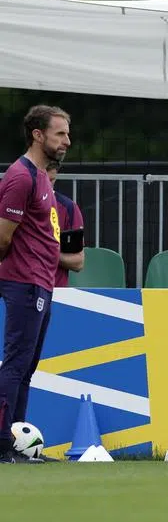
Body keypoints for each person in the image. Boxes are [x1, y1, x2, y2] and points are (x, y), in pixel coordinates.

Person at [0, 105, 70, 464]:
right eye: (60, 133)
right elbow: (2, 237)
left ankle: (18, 443)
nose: (67, 141)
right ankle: (2, 444)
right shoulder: (21, 176)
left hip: (41, 282)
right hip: (24, 281)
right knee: (15, 364)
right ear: (37, 135)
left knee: (26, 367)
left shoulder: (42, 176)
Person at [46, 161, 85, 288]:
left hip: (56, 292)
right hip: (19, 291)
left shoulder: (68, 208)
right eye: (42, 181)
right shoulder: (15, 202)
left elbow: (78, 262)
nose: (47, 186)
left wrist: (47, 252)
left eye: (51, 180)